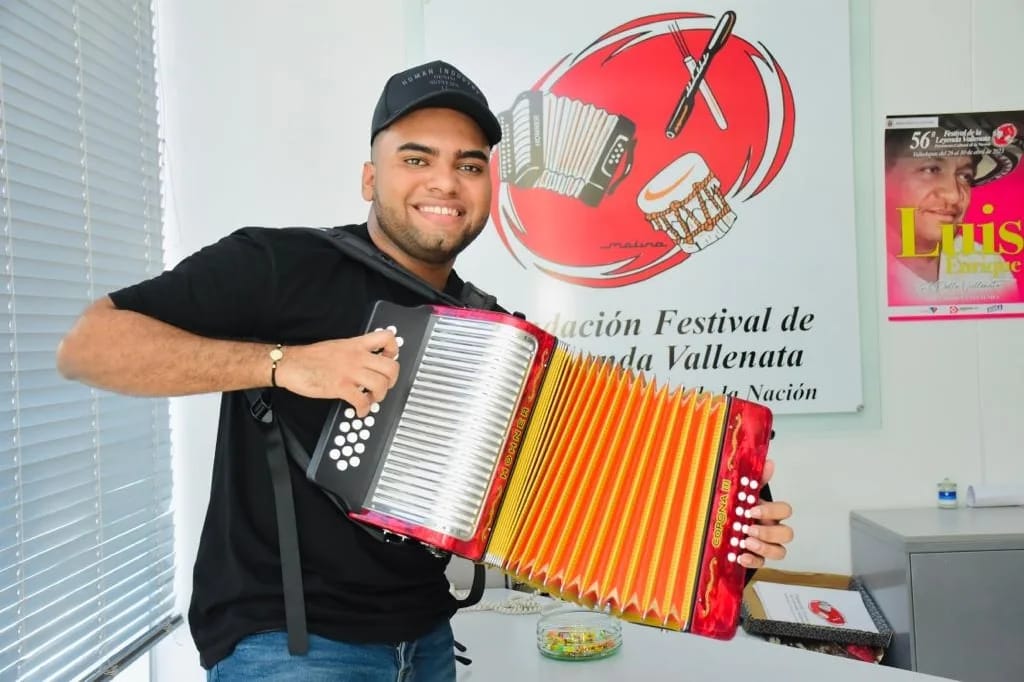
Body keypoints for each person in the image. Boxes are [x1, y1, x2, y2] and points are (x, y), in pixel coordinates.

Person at [55, 59, 795, 681]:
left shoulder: (496, 333)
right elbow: (89, 345)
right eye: (417, 158)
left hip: (427, 643)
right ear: (369, 176)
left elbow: (586, 479)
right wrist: (284, 365)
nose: (445, 182)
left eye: (469, 165)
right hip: (289, 645)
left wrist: (725, 521)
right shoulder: (280, 264)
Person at [883, 125, 1020, 304]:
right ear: (883, 177)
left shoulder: (987, 263)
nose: (954, 196)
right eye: (931, 170)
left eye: (965, 176)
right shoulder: (862, 267)